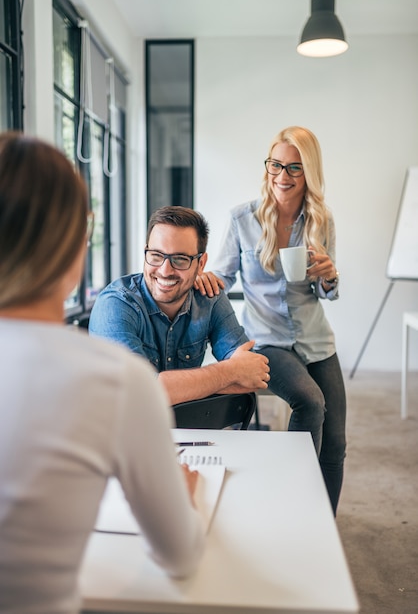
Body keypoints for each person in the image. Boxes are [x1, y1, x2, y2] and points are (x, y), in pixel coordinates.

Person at [0, 132, 205, 614]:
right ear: (77, 246)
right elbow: (180, 554)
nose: (166, 269)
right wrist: (183, 492)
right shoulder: (119, 382)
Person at [194, 126, 346, 516]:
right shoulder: (242, 219)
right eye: (276, 165)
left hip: (315, 339)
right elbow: (224, 277)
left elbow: (326, 293)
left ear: (308, 172)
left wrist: (329, 275)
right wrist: (206, 279)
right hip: (267, 340)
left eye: (294, 168)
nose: (282, 176)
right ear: (268, 166)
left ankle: (321, 523)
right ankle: (291, 508)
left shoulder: (320, 220)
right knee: (311, 403)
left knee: (335, 443)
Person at [89, 205, 270, 405]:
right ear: (145, 253)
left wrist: (170, 388)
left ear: (201, 264)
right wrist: (230, 371)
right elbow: (140, 392)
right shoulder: (115, 304)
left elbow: (254, 375)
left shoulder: (209, 297)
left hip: (185, 432)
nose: (165, 271)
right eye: (156, 256)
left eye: (180, 259)